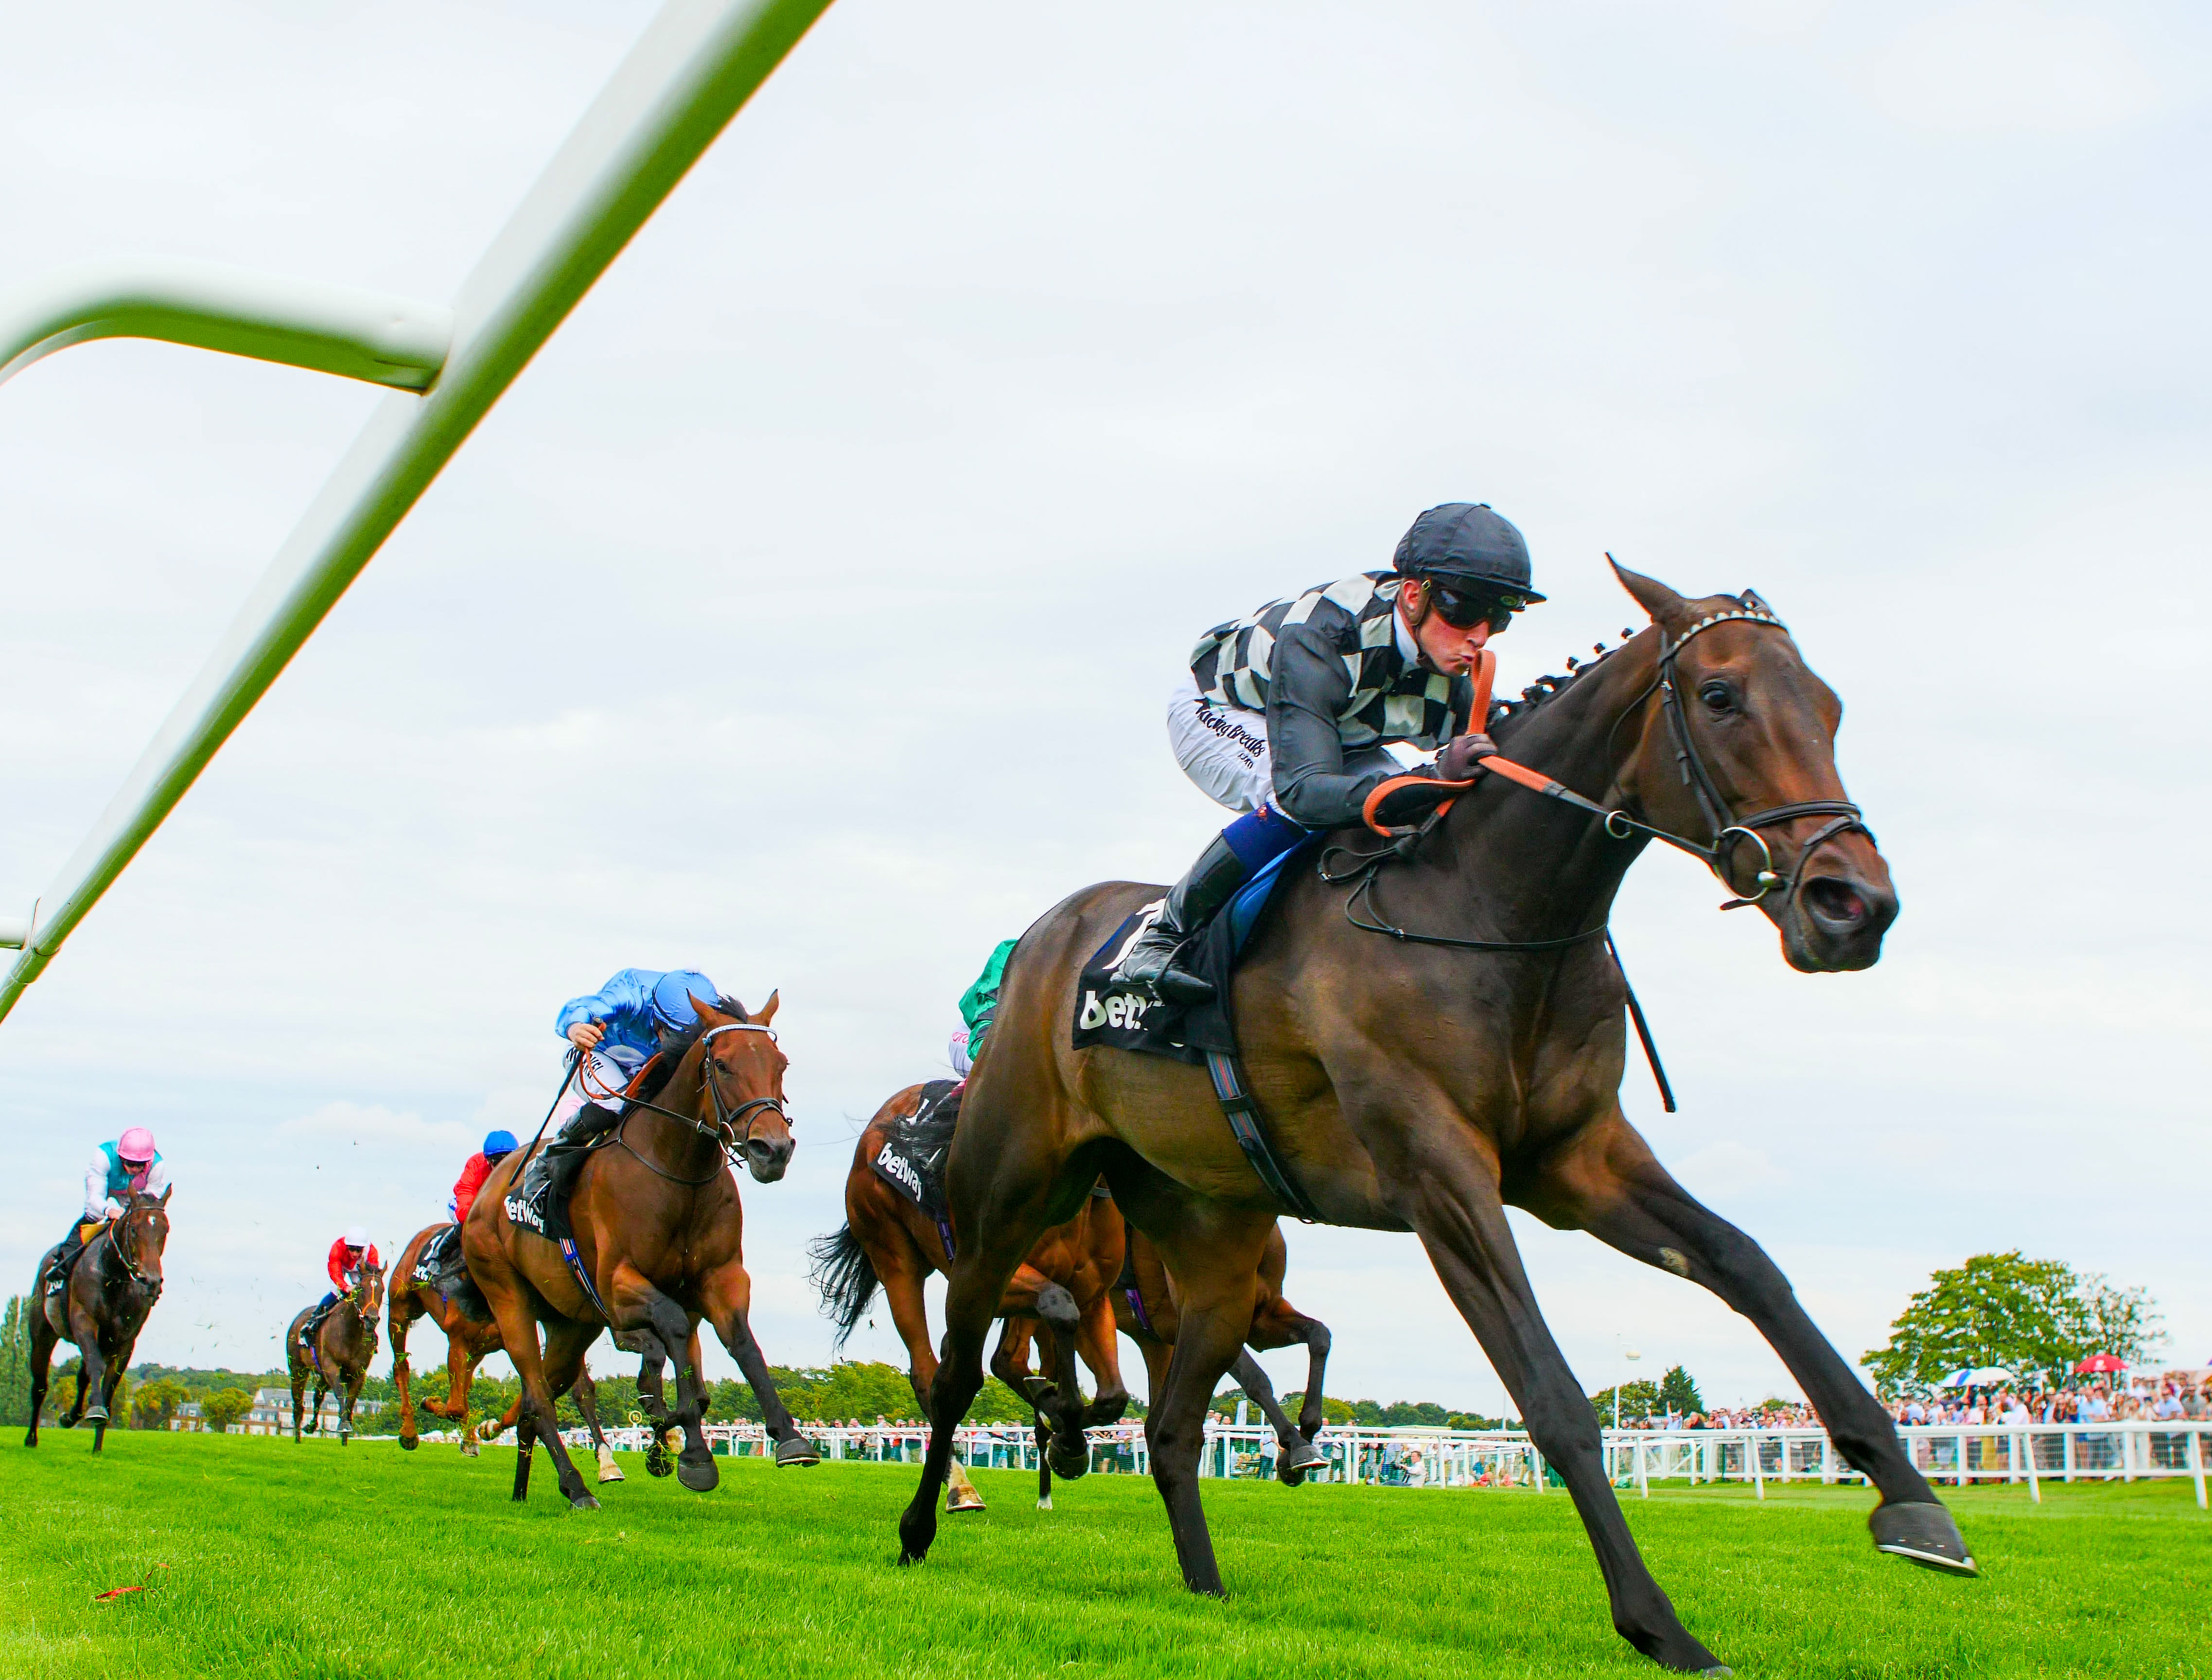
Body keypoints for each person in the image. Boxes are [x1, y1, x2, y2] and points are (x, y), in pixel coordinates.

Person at [1114, 502, 1544, 1004]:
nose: (1480, 635)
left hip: (1333, 731)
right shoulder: (1319, 638)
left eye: (1498, 617)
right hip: (1222, 710)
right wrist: (1430, 776)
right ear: (1413, 596)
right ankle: (1162, 936)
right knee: (1298, 802)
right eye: (1465, 610)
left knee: (1409, 809)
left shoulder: (1448, 659)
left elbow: (1493, 757)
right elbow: (1305, 793)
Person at [522, 968, 723, 1212]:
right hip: (598, 1053)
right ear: (657, 1017)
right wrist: (575, 1028)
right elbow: (580, 1008)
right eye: (675, 1036)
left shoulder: (711, 1011)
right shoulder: (631, 995)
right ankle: (546, 1164)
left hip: (646, 1066)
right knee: (617, 1104)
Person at [43, 1127, 169, 1292]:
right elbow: (95, 1197)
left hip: (133, 1199)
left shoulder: (157, 1166)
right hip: (104, 1194)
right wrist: (108, 1210)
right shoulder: (104, 1156)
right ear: (121, 1157)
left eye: (140, 1165)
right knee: (93, 1216)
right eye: (130, 1163)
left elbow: (150, 1202)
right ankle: (61, 1268)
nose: (135, 1169)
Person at [302, 1225, 380, 1349]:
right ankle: (312, 1322)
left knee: (363, 1294)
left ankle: (370, 1330)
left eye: (359, 1250)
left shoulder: (372, 1253)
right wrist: (345, 1287)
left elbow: (370, 1277)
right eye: (352, 1249)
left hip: (359, 1269)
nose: (355, 1254)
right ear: (346, 1246)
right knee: (336, 1293)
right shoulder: (337, 1248)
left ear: (364, 1248)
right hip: (341, 1267)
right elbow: (335, 1272)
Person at [449, 1130, 520, 1226]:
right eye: (498, 1161)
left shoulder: (524, 1167)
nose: (503, 1167)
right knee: (471, 1226)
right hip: (466, 1204)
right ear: (488, 1161)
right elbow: (464, 1212)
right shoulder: (476, 1167)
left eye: (509, 1160)